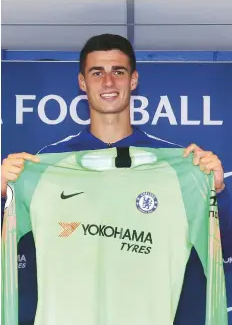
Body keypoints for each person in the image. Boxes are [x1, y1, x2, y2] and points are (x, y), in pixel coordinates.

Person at [1, 34, 231, 325]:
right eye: (97, 73)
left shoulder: (176, 164)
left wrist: (216, 191)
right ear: (82, 82)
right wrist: (5, 194)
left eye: (118, 72)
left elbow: (221, 249)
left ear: (133, 80)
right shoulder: (44, 165)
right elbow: (13, 254)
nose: (108, 83)